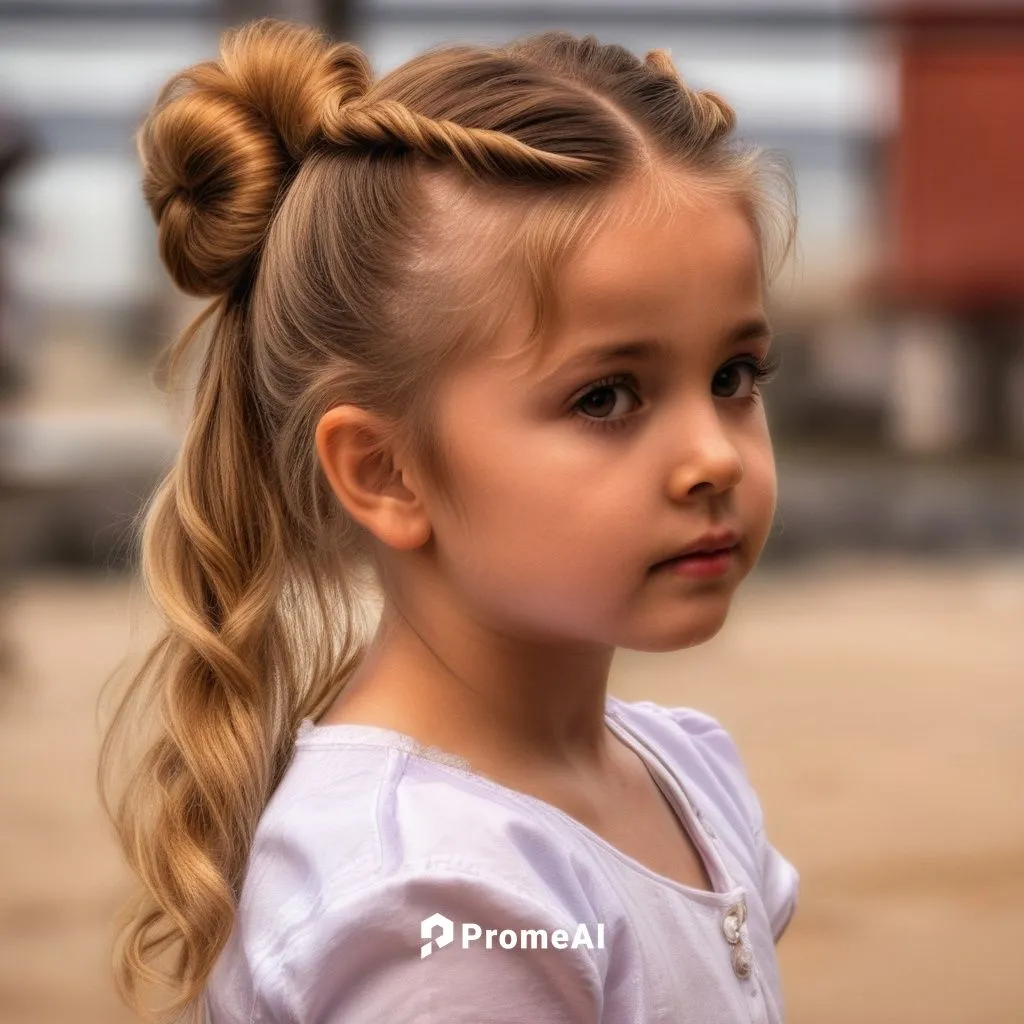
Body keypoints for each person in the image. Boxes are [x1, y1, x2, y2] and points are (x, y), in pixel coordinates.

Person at [99, 18, 800, 1024]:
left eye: (734, 375)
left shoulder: (681, 771)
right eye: (607, 397)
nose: (714, 457)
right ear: (385, 471)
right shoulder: (438, 900)